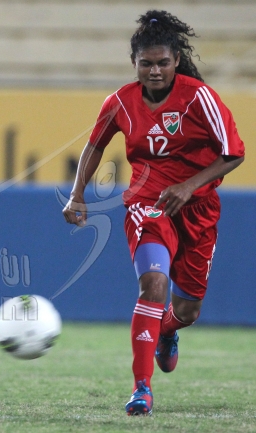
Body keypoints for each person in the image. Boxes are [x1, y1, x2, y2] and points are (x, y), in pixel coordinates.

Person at [62, 10, 245, 416]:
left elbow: (234, 153)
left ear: (176, 60)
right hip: (149, 204)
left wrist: (189, 186)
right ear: (134, 63)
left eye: (163, 62)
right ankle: (141, 388)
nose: (155, 71)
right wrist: (77, 195)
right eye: (146, 63)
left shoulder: (199, 97)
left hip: (198, 210)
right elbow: (95, 146)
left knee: (187, 311)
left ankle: (166, 330)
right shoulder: (120, 102)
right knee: (153, 284)